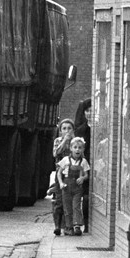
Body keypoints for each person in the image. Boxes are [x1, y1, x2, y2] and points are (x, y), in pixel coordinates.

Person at [57, 136, 90, 236]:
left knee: (76, 206)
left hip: (77, 188)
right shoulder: (66, 160)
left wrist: (82, 178)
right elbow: (59, 173)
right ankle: (68, 227)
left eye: (80, 148)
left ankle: (77, 226)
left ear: (83, 149)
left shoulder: (83, 162)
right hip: (66, 187)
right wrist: (61, 183)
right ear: (71, 148)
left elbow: (86, 174)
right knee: (67, 208)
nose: (77, 150)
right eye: (75, 147)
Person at [52, 118, 75, 235]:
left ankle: (68, 226)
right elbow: (56, 153)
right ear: (60, 131)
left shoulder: (76, 142)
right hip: (60, 175)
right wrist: (65, 141)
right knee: (59, 200)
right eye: (64, 128)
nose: (67, 131)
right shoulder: (58, 140)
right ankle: (57, 225)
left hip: (72, 175)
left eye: (69, 128)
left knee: (70, 201)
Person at [75, 98, 91, 232]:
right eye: (87, 111)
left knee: (87, 196)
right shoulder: (81, 130)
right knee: (82, 196)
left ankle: (87, 224)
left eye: (92, 111)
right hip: (82, 166)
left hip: (96, 166)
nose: (90, 113)